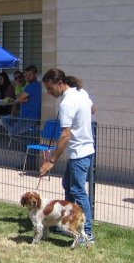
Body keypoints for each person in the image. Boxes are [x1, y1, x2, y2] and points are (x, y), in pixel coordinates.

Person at [39, 68, 95, 243]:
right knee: (68, 186)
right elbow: (94, 109)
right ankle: (70, 223)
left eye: (50, 88)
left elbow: (65, 135)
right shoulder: (81, 93)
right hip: (85, 151)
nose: (49, 92)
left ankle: (87, 234)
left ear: (60, 83)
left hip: (79, 153)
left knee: (78, 192)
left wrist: (51, 161)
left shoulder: (66, 103)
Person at [0, 65, 42, 140]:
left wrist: (21, 99)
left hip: (28, 118)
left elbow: (18, 98)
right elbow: (20, 99)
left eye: (30, 75)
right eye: (26, 75)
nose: (27, 77)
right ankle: (21, 133)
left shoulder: (32, 86)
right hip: (21, 115)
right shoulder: (31, 85)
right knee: (3, 120)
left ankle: (31, 144)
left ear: (35, 75)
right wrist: (22, 99)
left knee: (12, 134)